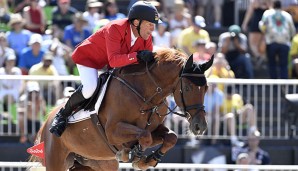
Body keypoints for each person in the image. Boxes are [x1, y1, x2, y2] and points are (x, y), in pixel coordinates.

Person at [49, 1, 162, 137]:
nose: (152, 29)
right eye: (150, 24)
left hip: (108, 64)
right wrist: (137, 56)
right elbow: (114, 61)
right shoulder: (115, 28)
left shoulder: (146, 38)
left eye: (154, 25)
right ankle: (62, 115)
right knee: (90, 88)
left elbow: (145, 66)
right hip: (88, 59)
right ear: (136, 22)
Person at [259, 0, 296, 79]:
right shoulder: (287, 15)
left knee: (272, 65)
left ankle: (274, 87)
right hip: (285, 43)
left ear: (273, 5)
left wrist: (265, 33)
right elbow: (292, 30)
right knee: (284, 65)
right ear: (281, 6)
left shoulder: (267, 13)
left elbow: (262, 26)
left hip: (271, 42)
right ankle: (284, 87)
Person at [241, 0, 272, 64]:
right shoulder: (269, 2)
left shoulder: (255, 1)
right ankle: (262, 57)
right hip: (266, 23)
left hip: (257, 22)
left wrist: (244, 24)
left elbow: (249, 12)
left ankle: (259, 57)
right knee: (262, 42)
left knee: (253, 43)